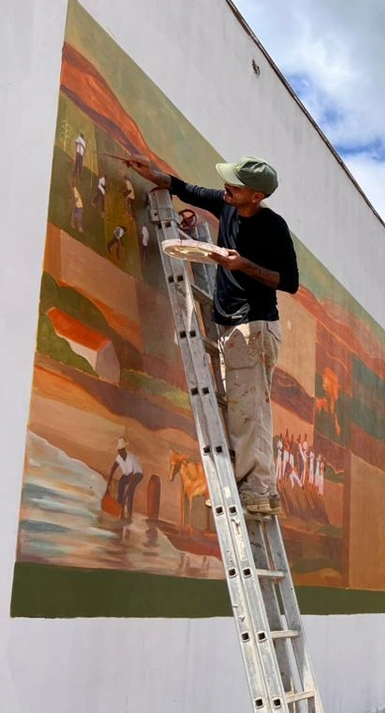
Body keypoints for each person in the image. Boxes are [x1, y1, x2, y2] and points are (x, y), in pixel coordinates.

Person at [126, 155, 298, 516]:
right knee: (247, 410)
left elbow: (290, 282)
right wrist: (156, 176)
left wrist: (242, 265)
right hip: (232, 325)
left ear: (256, 196)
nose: (227, 188)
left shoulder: (272, 227)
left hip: (254, 326)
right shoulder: (227, 205)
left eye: (236, 185)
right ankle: (259, 489)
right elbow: (189, 190)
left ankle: (255, 492)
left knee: (248, 412)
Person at [106, 436, 143, 520]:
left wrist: (125, 497)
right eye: (119, 451)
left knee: (130, 492)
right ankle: (119, 510)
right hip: (127, 474)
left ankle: (129, 514)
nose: (120, 453)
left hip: (137, 474)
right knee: (121, 483)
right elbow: (112, 470)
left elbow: (131, 477)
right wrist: (107, 487)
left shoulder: (130, 459)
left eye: (122, 450)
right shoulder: (119, 458)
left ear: (124, 449)